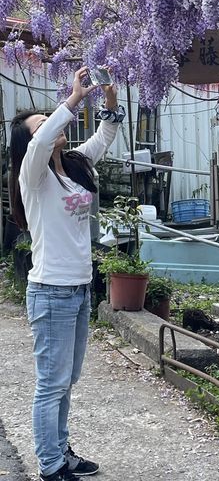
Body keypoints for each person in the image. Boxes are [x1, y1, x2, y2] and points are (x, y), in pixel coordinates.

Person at [9, 67, 124, 481]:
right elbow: (41, 140)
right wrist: (73, 100)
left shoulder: (71, 167)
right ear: (29, 142)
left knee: (67, 379)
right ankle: (50, 464)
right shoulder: (33, 177)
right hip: (50, 291)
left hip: (77, 289)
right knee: (51, 383)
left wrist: (110, 104)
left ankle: (61, 450)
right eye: (42, 122)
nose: (51, 123)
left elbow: (105, 138)